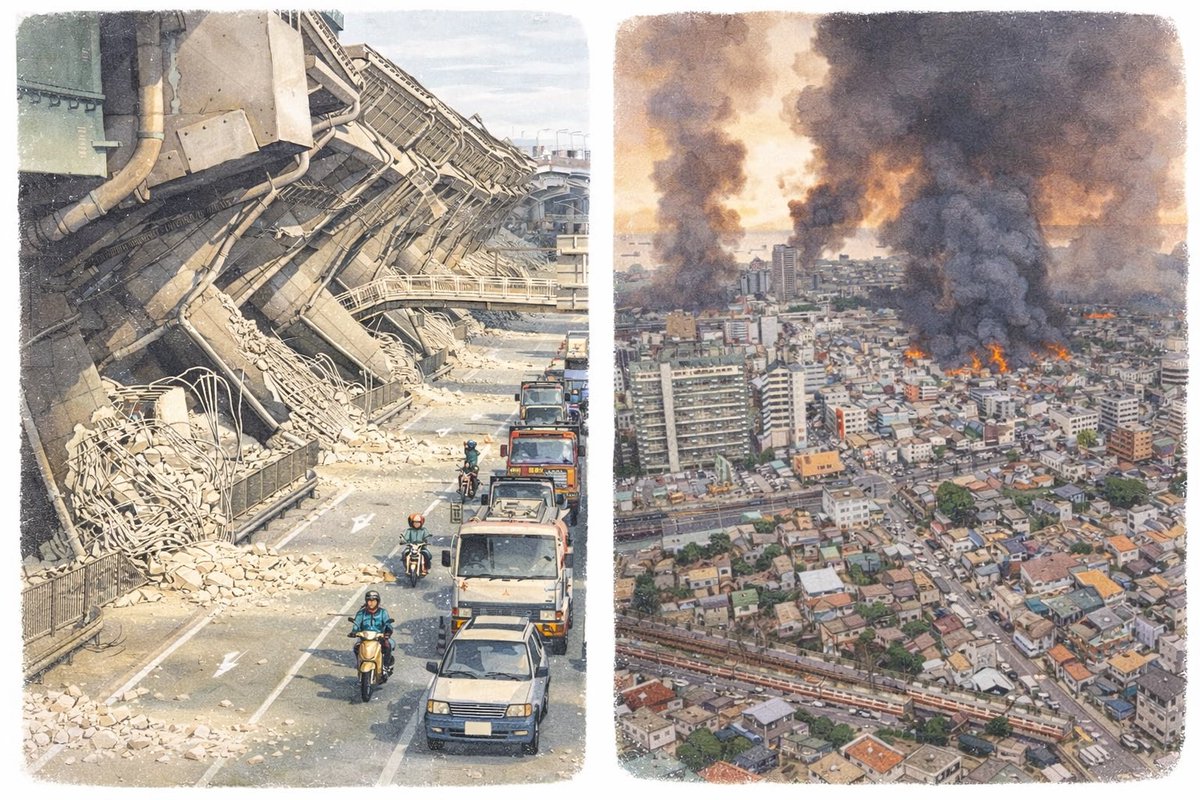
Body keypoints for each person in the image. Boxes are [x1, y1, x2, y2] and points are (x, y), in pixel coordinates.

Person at [350, 590, 393, 677]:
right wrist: (354, 632)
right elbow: (356, 624)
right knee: (356, 647)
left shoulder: (383, 612)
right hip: (364, 638)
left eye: (373, 601)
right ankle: (359, 663)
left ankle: (385, 666)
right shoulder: (361, 613)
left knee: (388, 646)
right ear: (366, 601)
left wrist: (388, 632)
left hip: (379, 638)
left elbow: (388, 624)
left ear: (377, 601)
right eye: (369, 601)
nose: (371, 603)